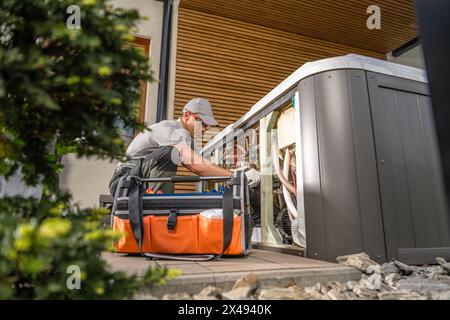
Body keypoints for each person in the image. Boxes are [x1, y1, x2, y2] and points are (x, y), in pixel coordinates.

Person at [109, 98, 233, 197]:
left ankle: (160, 205)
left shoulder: (187, 140)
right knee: (169, 152)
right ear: (186, 115)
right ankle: (159, 207)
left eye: (207, 126)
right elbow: (197, 166)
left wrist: (234, 172)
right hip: (124, 182)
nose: (204, 128)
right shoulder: (172, 129)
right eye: (202, 122)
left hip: (139, 181)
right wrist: (234, 176)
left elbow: (207, 170)